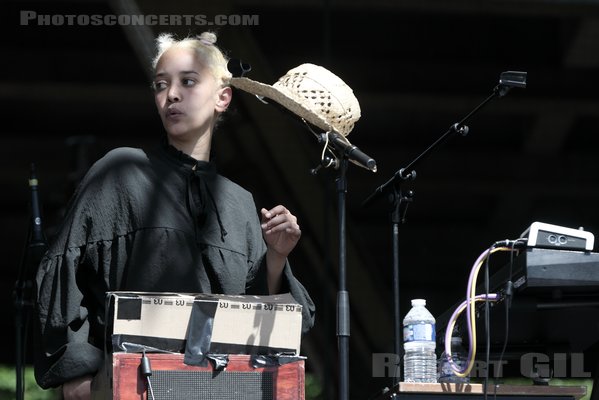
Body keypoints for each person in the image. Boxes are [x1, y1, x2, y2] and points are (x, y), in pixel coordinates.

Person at [33, 31, 315, 399]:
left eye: (188, 81)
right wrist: (78, 376)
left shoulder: (240, 202)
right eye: (161, 85)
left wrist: (276, 256)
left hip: (219, 389)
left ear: (223, 97)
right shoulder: (120, 171)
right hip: (133, 385)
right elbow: (65, 277)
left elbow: (259, 321)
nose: (172, 95)